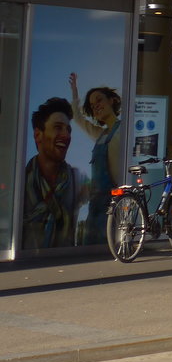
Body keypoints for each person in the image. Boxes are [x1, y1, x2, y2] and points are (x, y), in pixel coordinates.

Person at [23, 97, 83, 249]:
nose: (66, 135)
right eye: (58, 127)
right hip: (27, 258)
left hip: (66, 258)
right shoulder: (21, 181)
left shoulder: (77, 180)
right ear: (38, 135)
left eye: (68, 129)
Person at [69, 73, 123, 244]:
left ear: (112, 100)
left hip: (113, 202)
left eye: (99, 100)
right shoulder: (100, 135)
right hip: (95, 206)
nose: (96, 106)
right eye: (92, 105)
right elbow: (77, 118)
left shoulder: (124, 130)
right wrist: (75, 93)